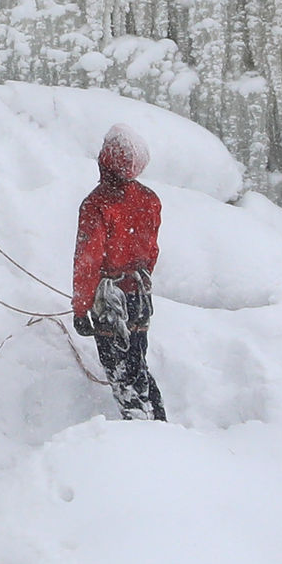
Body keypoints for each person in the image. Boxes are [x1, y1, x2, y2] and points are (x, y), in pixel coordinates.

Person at [71, 125, 168, 421]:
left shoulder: (96, 204)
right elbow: (151, 251)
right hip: (139, 296)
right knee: (138, 365)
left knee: (121, 373)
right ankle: (161, 424)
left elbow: (87, 262)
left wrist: (81, 308)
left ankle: (139, 435)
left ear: (106, 159)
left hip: (110, 301)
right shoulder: (149, 199)